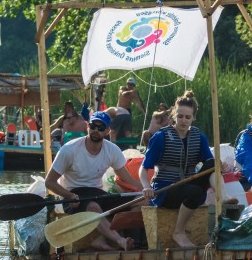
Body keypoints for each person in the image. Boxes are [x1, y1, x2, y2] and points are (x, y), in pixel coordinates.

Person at [44, 111, 144, 251]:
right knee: (94, 207)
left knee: (140, 200)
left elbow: (126, 178)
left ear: (108, 131)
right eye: (93, 126)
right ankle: (121, 241)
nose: (96, 130)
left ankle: (103, 239)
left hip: (97, 193)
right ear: (87, 126)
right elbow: (49, 182)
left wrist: (145, 189)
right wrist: (69, 196)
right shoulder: (69, 150)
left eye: (101, 128)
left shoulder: (112, 150)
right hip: (73, 195)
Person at [138, 91, 214, 249]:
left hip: (189, 185)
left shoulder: (199, 137)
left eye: (188, 117)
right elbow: (144, 169)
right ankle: (178, 232)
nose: (183, 121)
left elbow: (209, 163)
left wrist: (220, 165)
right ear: (173, 116)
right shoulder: (161, 137)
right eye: (180, 116)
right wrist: (146, 187)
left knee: (213, 164)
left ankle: (222, 196)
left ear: (193, 118)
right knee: (195, 192)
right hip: (166, 190)